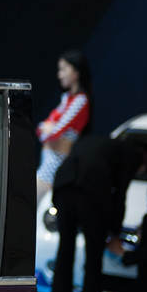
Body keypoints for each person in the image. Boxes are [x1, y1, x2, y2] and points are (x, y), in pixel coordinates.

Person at [48, 136, 147, 292]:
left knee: (64, 258)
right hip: (91, 195)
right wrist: (114, 233)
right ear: (145, 157)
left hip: (64, 188)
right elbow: (120, 194)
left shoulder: (102, 143)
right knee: (93, 265)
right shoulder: (132, 154)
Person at [36, 50, 92, 205]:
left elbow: (52, 133)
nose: (59, 75)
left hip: (56, 165)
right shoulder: (66, 98)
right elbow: (41, 129)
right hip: (47, 162)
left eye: (63, 69)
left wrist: (50, 129)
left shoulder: (80, 101)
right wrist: (48, 130)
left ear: (76, 72)